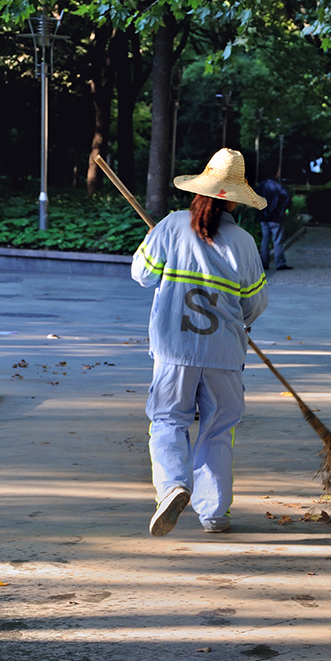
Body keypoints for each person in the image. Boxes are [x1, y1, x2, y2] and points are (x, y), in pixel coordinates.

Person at [131, 148, 268, 537]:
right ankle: (215, 513)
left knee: (168, 420)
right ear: (237, 202)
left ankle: (174, 486)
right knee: (219, 428)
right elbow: (255, 302)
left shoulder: (171, 226)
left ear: (198, 190)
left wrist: (152, 241)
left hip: (174, 350)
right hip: (224, 352)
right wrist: (239, 323)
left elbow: (141, 274)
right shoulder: (243, 242)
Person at [256, 170, 292, 270]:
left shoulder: (261, 185)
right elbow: (286, 196)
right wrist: (282, 209)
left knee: (265, 239)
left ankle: (264, 263)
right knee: (277, 240)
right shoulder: (278, 185)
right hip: (275, 216)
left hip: (263, 215)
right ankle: (280, 263)